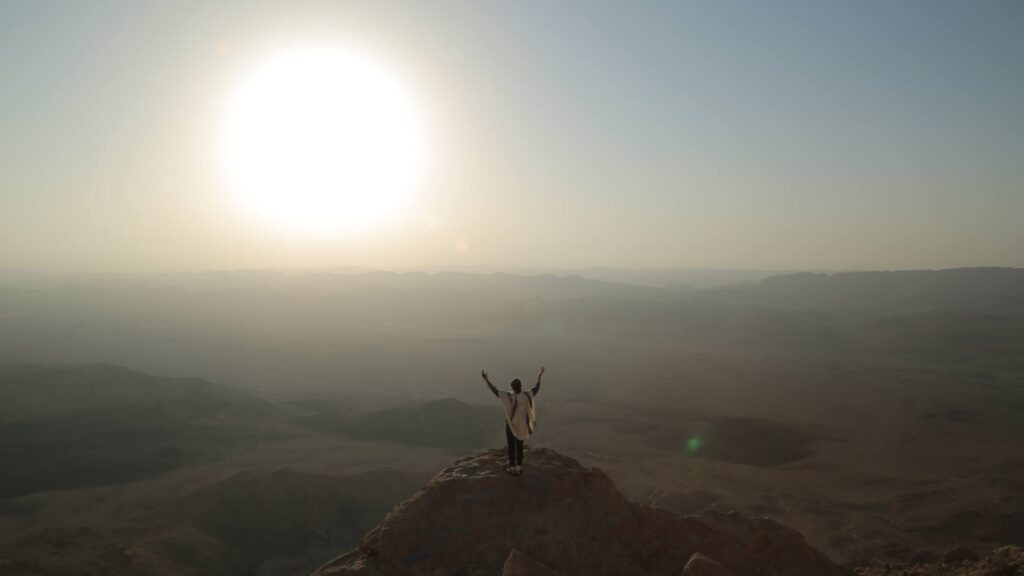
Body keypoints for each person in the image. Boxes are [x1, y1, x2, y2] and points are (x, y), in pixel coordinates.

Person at [482, 367, 544, 476]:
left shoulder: (508, 396)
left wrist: (486, 380)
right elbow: (537, 388)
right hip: (522, 425)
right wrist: (540, 374)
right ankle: (519, 467)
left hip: (510, 425)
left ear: (512, 388)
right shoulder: (526, 395)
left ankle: (512, 468)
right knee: (520, 445)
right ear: (520, 387)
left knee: (511, 446)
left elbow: (495, 390)